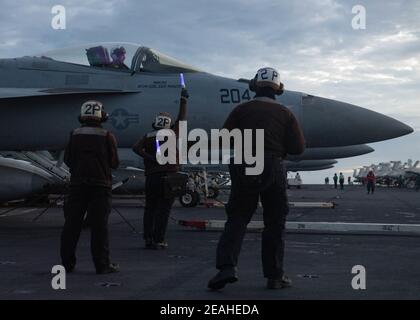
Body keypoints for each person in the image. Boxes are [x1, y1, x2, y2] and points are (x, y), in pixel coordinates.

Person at [208, 67, 305, 290]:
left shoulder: (241, 109)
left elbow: (224, 139)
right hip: (272, 166)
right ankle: (275, 276)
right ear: (279, 89)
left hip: (244, 165)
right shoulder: (285, 113)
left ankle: (226, 268)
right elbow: (298, 148)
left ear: (254, 86)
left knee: (238, 219)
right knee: (275, 222)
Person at [61, 101, 120, 274]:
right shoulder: (107, 135)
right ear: (102, 116)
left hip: (77, 186)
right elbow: (115, 163)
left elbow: (67, 160)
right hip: (100, 187)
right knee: (99, 227)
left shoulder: (74, 134)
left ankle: (66, 264)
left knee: (71, 225)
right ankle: (102, 265)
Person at [132, 88, 189, 250]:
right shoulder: (172, 133)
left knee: (150, 208)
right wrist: (184, 100)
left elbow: (136, 148)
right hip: (169, 179)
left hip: (151, 177)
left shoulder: (148, 136)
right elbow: (182, 118)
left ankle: (148, 239)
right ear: (168, 123)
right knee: (164, 210)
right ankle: (159, 239)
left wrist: (150, 158)